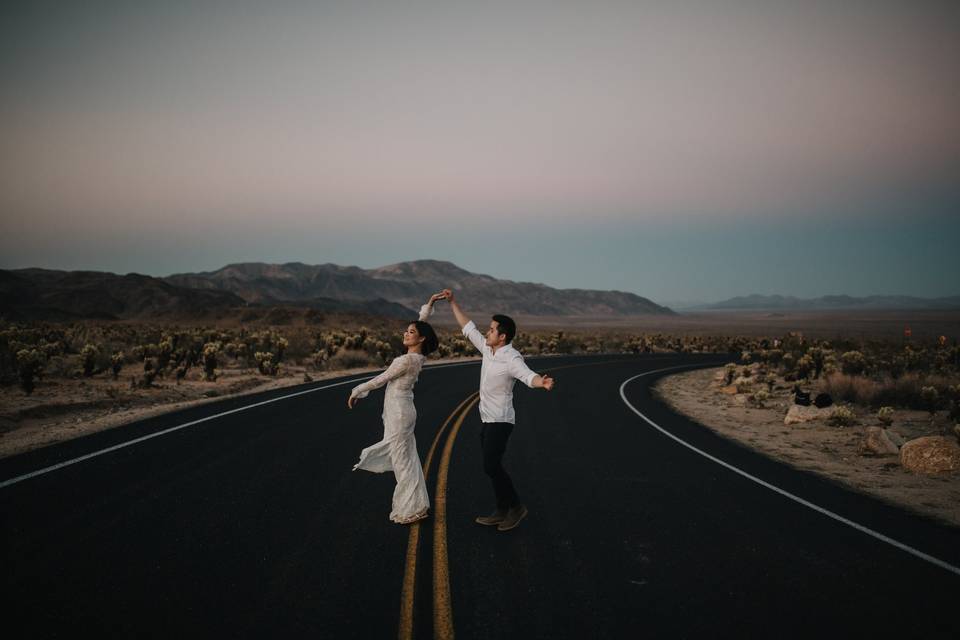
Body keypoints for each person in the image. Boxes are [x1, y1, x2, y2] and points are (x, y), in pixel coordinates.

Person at [441, 288, 554, 531]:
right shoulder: (488, 349)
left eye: (492, 329)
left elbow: (527, 375)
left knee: (491, 466)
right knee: (491, 466)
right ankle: (502, 509)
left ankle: (515, 508)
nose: (487, 331)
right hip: (487, 418)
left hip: (501, 421)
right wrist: (453, 302)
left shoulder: (510, 357)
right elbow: (467, 326)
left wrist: (540, 382)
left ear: (502, 337)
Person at [347, 293, 446, 524]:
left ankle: (411, 509)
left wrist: (357, 390)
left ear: (420, 339)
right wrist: (428, 306)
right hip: (402, 410)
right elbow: (423, 326)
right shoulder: (418, 357)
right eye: (407, 330)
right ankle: (416, 505)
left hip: (400, 413)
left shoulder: (405, 361)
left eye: (411, 332)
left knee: (403, 463)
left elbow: (381, 379)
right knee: (407, 459)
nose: (406, 333)